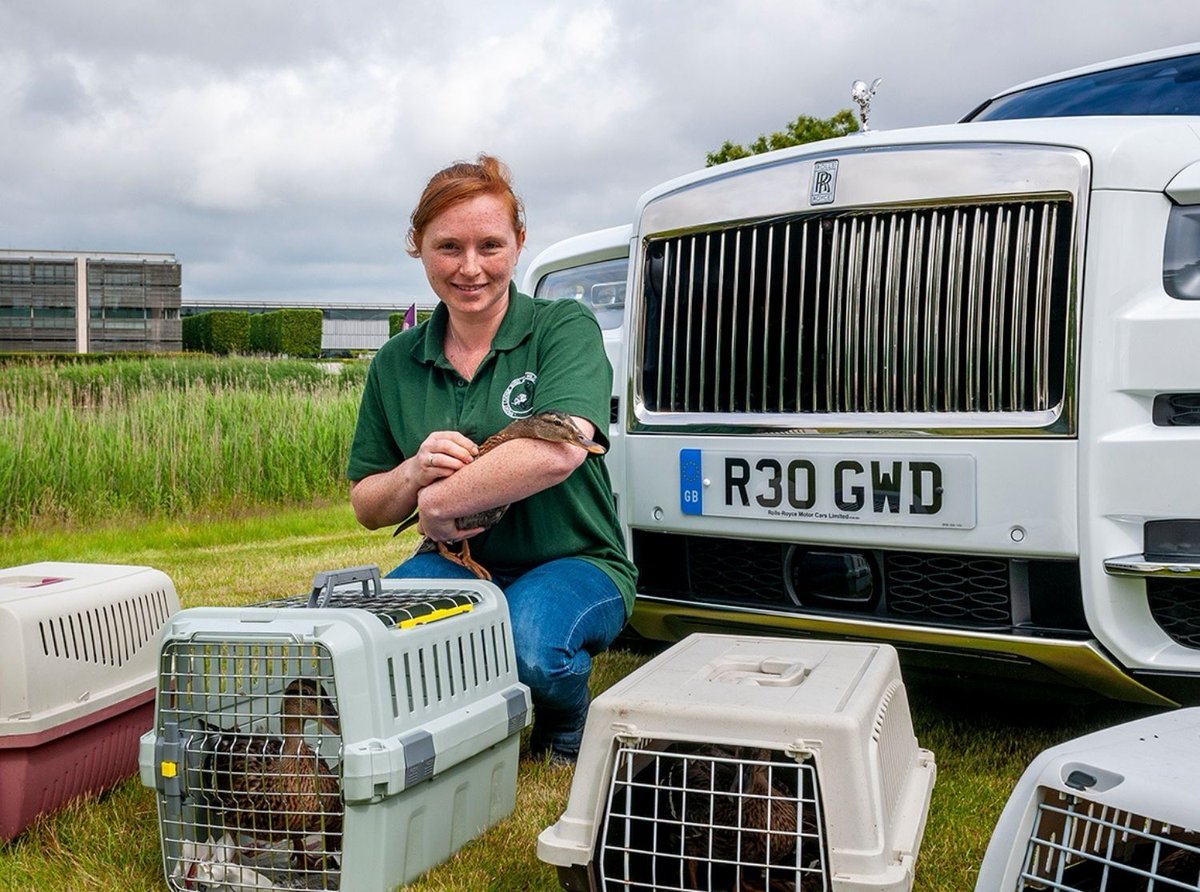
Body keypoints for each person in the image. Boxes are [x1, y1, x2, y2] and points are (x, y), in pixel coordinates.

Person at [346, 154, 636, 764]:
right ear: (417, 247)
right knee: (370, 640)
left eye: (490, 245)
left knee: (531, 648)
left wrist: (438, 501)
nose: (470, 268)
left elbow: (560, 448)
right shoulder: (396, 362)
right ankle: (454, 732)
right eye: (448, 247)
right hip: (457, 562)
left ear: (520, 242)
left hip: (575, 559)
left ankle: (563, 717)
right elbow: (367, 505)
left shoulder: (562, 325)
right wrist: (413, 471)